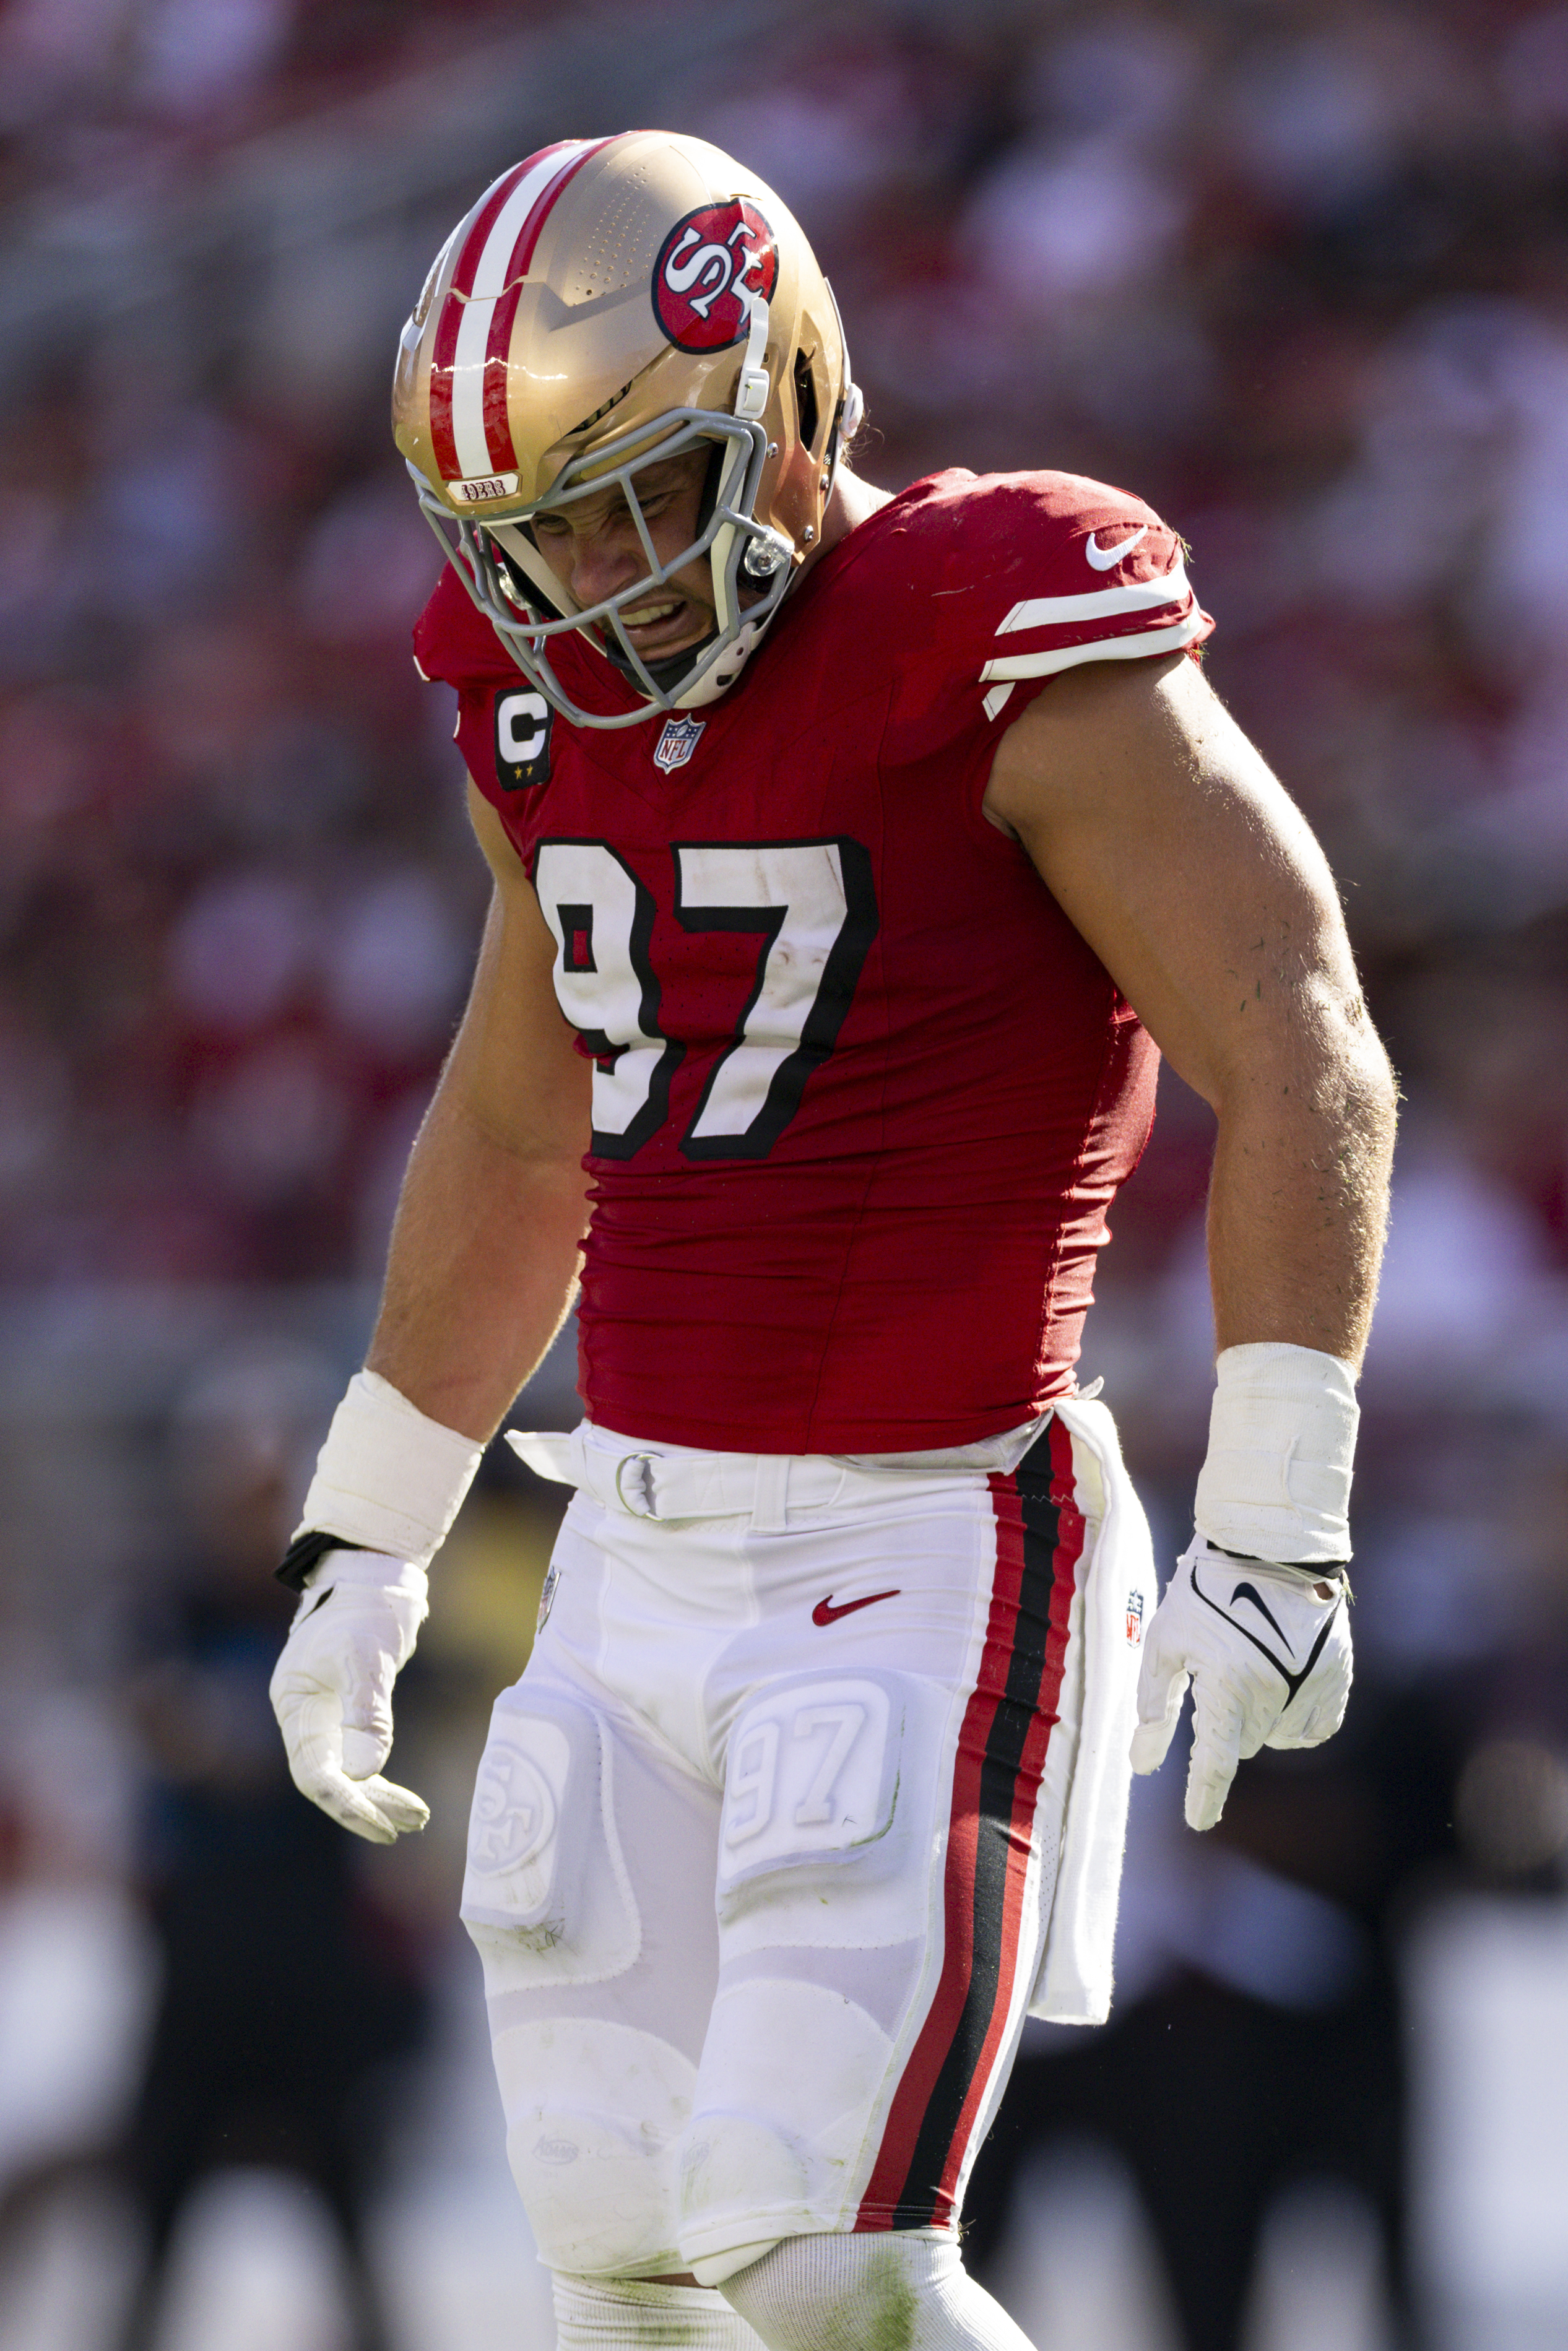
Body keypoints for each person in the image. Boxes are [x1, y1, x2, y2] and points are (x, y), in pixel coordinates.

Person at [268, 131, 1395, 2351]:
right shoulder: (530, 713)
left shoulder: (993, 620)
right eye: (531, 532)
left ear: (788, 399)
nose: (590, 577)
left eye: (629, 494)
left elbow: (1302, 1045)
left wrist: (1287, 1512)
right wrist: (369, 1533)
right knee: (625, 2270)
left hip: (934, 1540)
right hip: (628, 1550)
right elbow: (518, 1130)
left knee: (824, 2253)